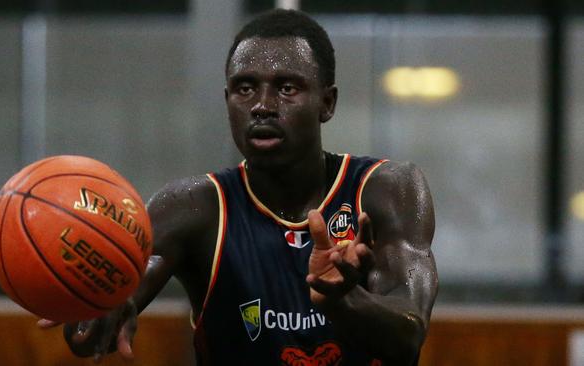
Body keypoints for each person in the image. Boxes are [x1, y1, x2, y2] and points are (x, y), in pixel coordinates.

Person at [39, 9, 438, 366]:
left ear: (327, 103)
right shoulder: (193, 207)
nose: (262, 105)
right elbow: (85, 337)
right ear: (227, 99)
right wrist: (96, 304)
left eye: (287, 88)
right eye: (245, 88)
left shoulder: (386, 191)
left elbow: (408, 337)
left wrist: (342, 300)